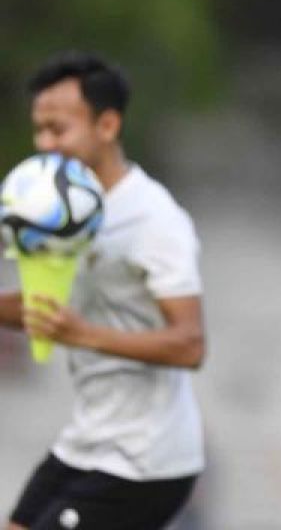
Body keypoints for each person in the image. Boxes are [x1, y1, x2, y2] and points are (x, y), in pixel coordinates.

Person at [1, 52, 206, 530]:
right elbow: (44, 309)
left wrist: (81, 333)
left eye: (58, 129)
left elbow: (190, 344)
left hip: (146, 462)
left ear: (107, 125)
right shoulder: (60, 212)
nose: (44, 144)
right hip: (87, 442)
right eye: (39, 130)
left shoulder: (154, 220)